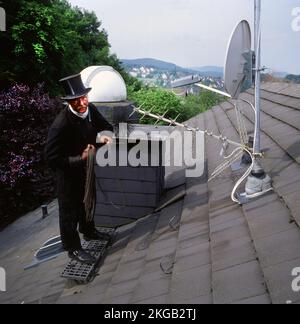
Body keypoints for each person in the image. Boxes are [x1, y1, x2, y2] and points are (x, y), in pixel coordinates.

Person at [45, 74, 114, 265]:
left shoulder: (89, 110)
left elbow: (106, 127)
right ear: (70, 102)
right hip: (66, 175)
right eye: (78, 100)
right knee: (69, 211)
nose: (83, 102)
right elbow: (51, 158)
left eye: (85, 97)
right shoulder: (61, 124)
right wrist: (80, 158)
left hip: (86, 169)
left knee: (88, 200)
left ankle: (89, 231)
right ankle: (73, 248)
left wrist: (106, 137)